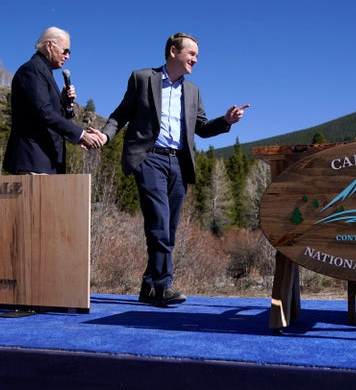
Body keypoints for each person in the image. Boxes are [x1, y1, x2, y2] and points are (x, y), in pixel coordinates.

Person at [99, 32, 249, 306]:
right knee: (159, 222)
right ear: (173, 52)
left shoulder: (193, 91)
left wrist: (225, 121)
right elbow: (120, 114)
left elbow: (201, 128)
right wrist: (106, 135)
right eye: (191, 54)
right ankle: (162, 287)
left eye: (197, 56)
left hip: (179, 163)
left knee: (168, 226)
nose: (195, 60)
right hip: (149, 158)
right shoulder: (142, 78)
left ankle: (147, 286)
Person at [3, 27, 103, 175]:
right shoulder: (32, 70)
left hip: (46, 162)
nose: (68, 56)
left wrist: (64, 102)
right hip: (34, 160)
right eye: (65, 51)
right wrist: (81, 135)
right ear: (49, 46)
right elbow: (43, 112)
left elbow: (47, 112)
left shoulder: (43, 72)